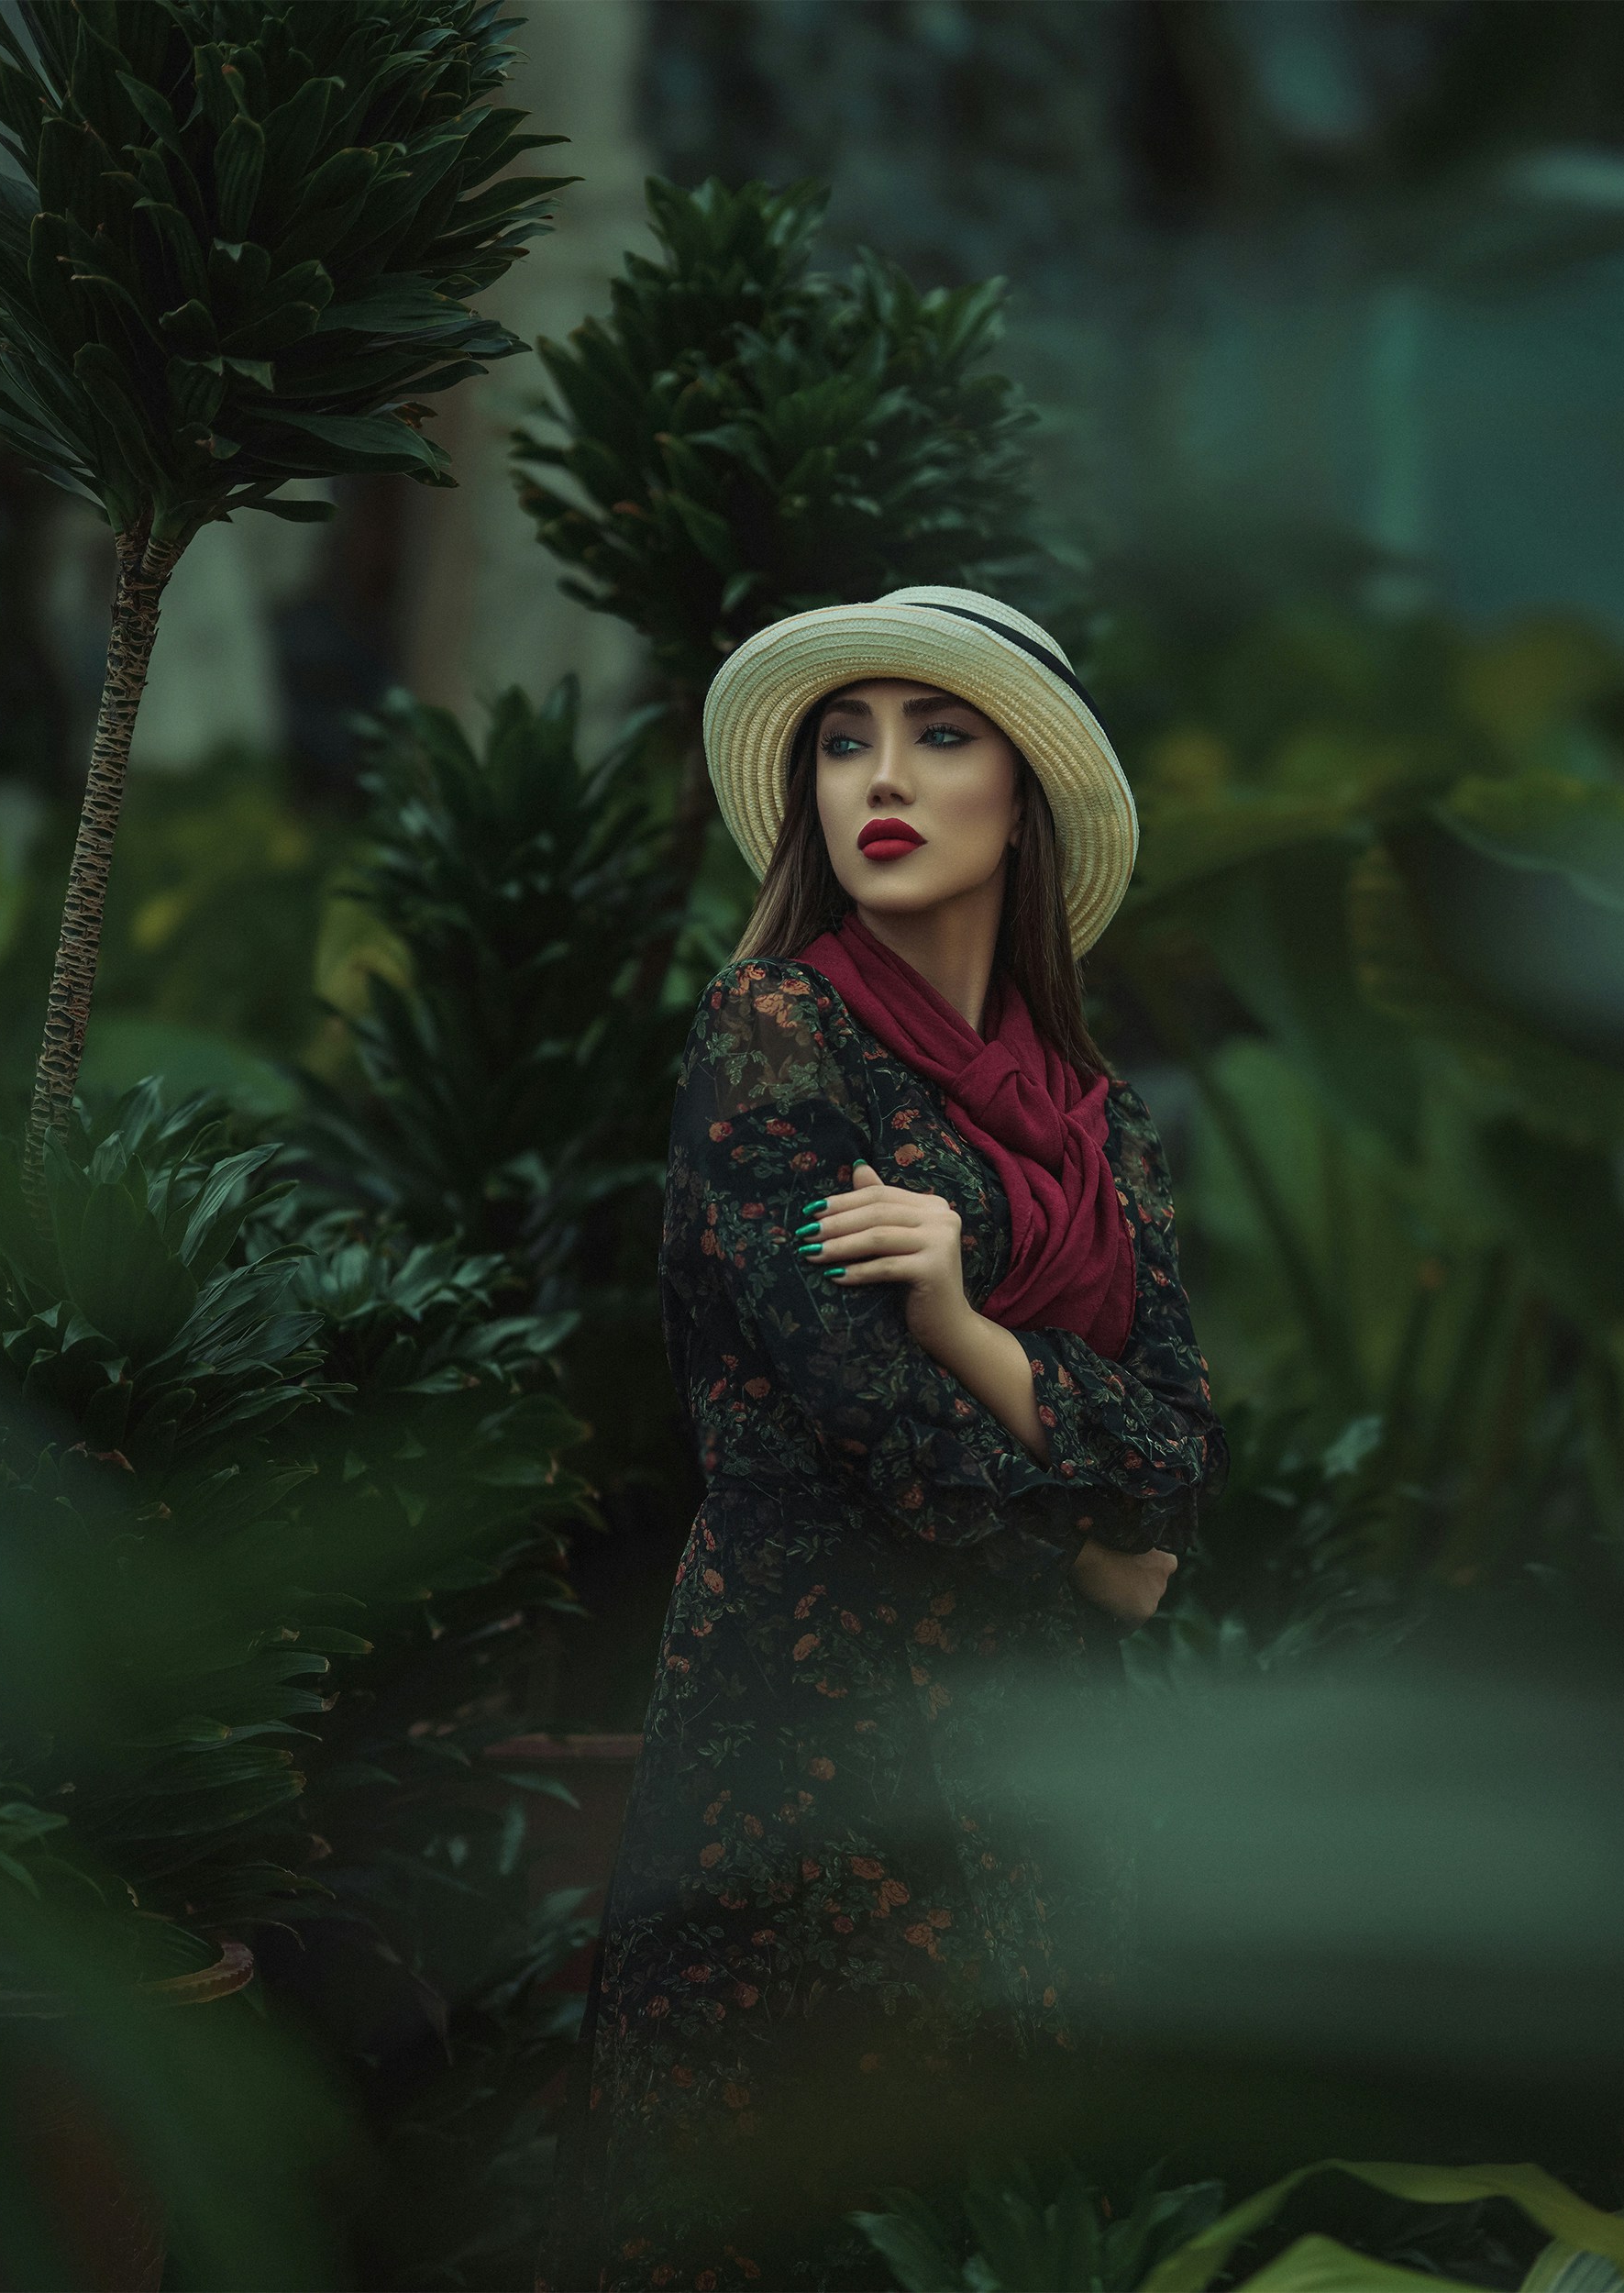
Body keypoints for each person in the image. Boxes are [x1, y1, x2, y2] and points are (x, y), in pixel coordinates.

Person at [539, 586, 1228, 2293]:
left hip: (1046, 1759)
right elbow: (898, 1448)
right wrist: (1093, 1508)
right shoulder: (774, 1036)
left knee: (1018, 2216)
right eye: (842, 744)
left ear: (1029, 801)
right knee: (788, 2219)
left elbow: (1179, 1474)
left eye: (939, 736)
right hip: (815, 1732)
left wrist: (973, 1322)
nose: (880, 780)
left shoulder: (1101, 1122)